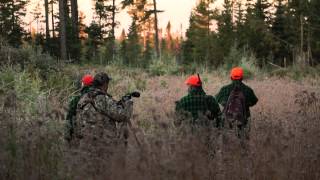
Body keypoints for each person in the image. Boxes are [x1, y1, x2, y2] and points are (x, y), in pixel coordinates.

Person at [215, 67, 258, 134]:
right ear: (242, 78)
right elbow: (254, 101)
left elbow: (217, 99)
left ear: (231, 77)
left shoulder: (224, 89)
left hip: (228, 119)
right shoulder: (248, 90)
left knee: (227, 140)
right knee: (243, 140)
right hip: (244, 120)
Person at [65, 74, 94, 142]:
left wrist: (68, 136)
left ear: (83, 84)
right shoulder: (99, 97)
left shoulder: (76, 99)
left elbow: (69, 118)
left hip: (79, 134)